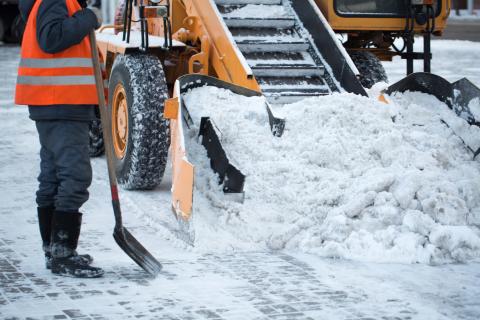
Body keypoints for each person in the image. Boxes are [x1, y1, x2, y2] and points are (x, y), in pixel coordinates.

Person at [15, 0, 104, 278]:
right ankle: (62, 254)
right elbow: (51, 38)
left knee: (53, 176)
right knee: (74, 177)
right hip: (61, 101)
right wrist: (88, 18)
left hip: (57, 102)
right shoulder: (55, 0)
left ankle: (54, 247)